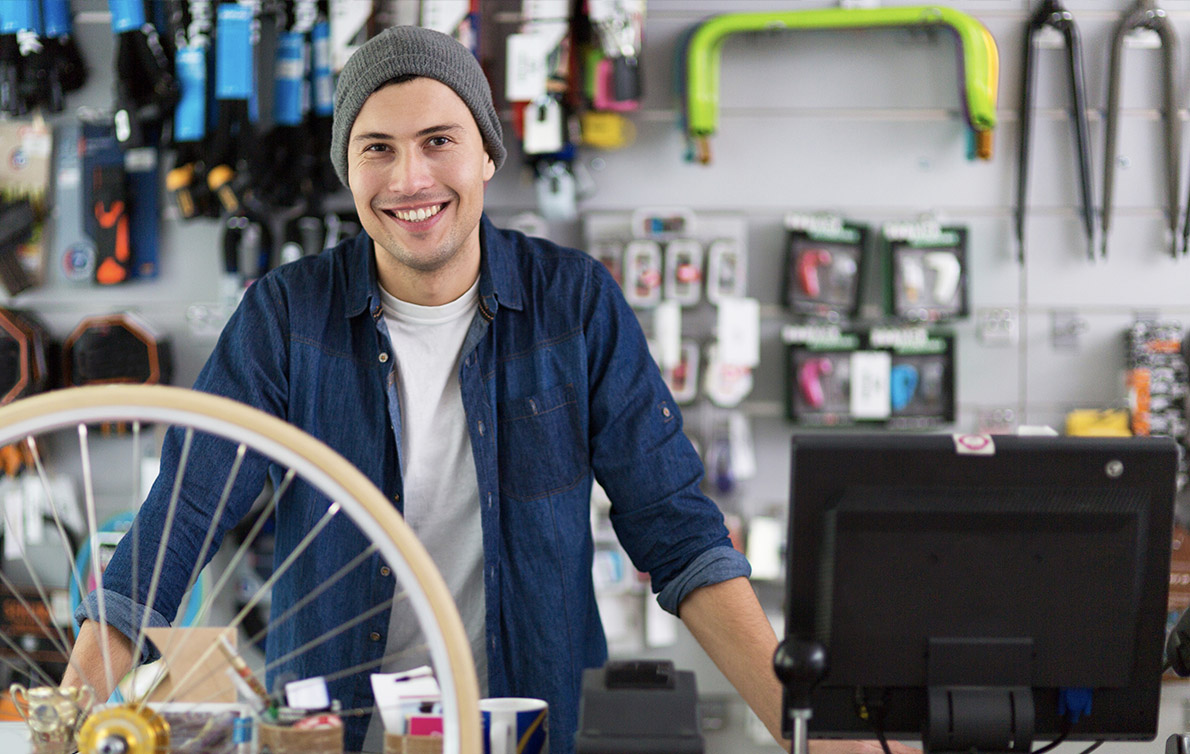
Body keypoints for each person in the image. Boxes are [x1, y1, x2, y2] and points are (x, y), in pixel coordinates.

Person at [63, 25, 912, 754]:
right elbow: (183, 516)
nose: (410, 181)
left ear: (486, 154)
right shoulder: (286, 316)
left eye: (439, 141)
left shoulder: (573, 303)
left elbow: (679, 534)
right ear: (347, 169)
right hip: (339, 729)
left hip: (525, 720)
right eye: (378, 149)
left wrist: (807, 732)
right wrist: (67, 717)